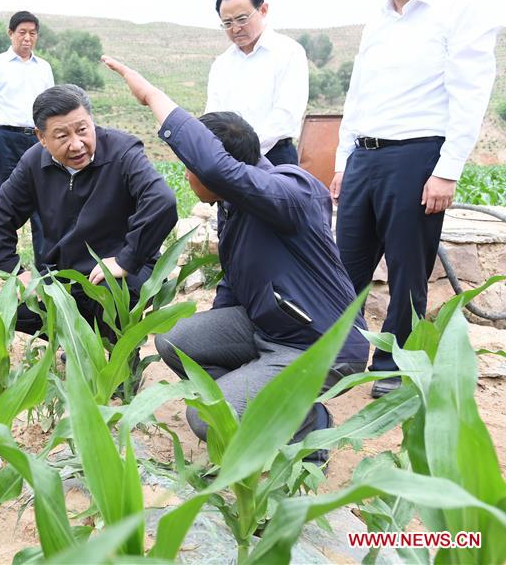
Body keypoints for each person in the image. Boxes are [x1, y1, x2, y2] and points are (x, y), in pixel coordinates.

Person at [103, 56, 368, 455]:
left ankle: (309, 426)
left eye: (191, 169)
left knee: (208, 419)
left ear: (214, 172)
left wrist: (151, 95)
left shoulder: (288, 191)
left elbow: (214, 164)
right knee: (177, 343)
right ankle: (262, 396)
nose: (187, 177)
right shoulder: (235, 205)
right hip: (271, 330)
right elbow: (235, 283)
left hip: (318, 347)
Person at [329, 0, 499, 397]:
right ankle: (341, 357)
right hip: (363, 156)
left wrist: (447, 170)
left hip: (417, 155)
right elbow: (358, 92)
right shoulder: (379, 19)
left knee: (407, 270)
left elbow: (470, 91)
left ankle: (393, 366)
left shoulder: (458, 7)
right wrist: (343, 159)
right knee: (345, 266)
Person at [0, 84, 177, 337]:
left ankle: (122, 363)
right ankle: (78, 343)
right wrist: (14, 272)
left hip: (125, 267)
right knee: (15, 309)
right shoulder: (33, 162)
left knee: (111, 300)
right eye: (62, 136)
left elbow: (162, 200)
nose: (77, 144)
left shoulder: (122, 151)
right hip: (66, 269)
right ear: (41, 138)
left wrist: (127, 259)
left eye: (83, 130)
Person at [205, 0, 308, 166]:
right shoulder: (221, 64)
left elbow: (286, 115)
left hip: (275, 157)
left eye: (242, 19)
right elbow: (213, 116)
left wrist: (243, 152)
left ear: (263, 9)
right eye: (227, 23)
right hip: (230, 162)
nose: (235, 28)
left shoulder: (288, 52)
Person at [0, 11, 55, 271]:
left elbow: (52, 108)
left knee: (45, 203)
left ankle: (46, 268)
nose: (27, 38)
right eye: (22, 32)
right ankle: (8, 267)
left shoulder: (44, 67)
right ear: (10, 33)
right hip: (6, 139)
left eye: (32, 33)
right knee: (7, 204)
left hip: (38, 139)